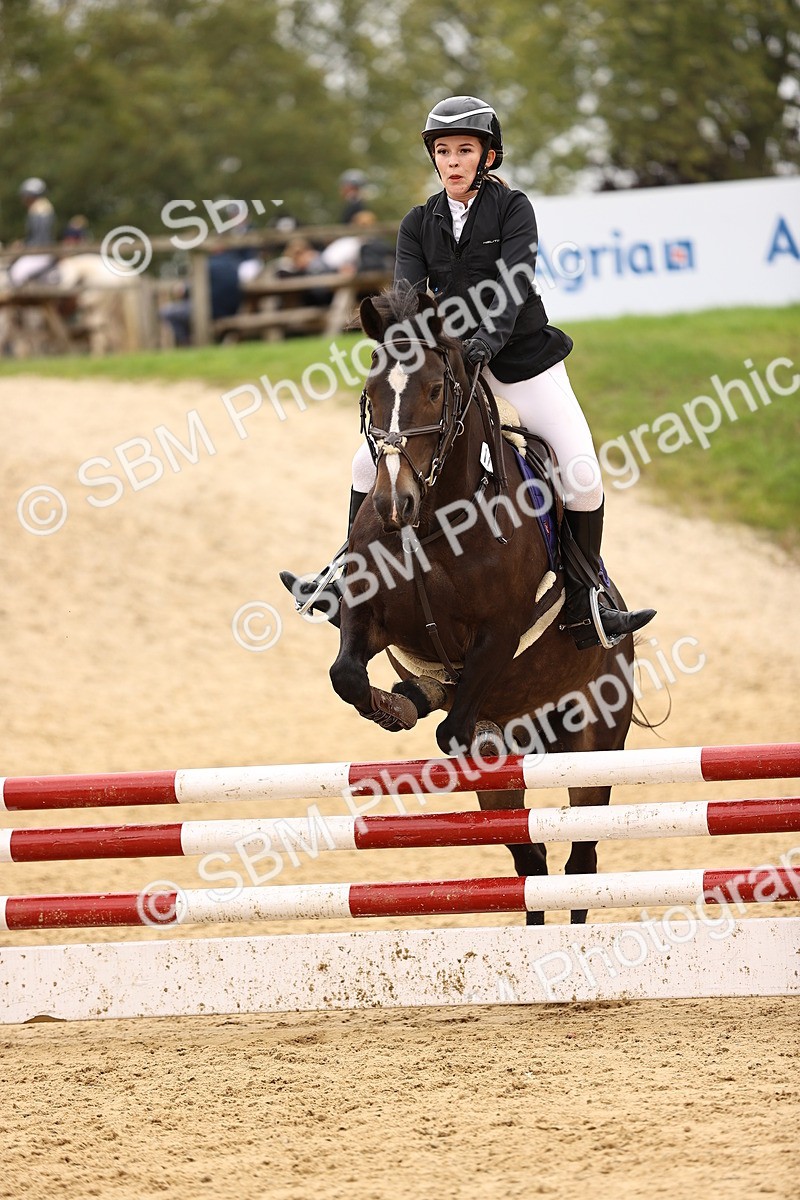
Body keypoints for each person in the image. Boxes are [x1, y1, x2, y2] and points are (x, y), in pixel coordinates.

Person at [282, 96, 655, 649]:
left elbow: (513, 284)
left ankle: (585, 596)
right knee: (368, 461)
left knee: (580, 471)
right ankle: (345, 574)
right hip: (451, 370)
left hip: (522, 362)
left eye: (464, 150)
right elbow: (408, 297)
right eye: (443, 151)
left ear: (487, 156)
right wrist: (419, 349)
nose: (452, 161)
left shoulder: (513, 209)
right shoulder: (418, 222)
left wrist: (482, 345)